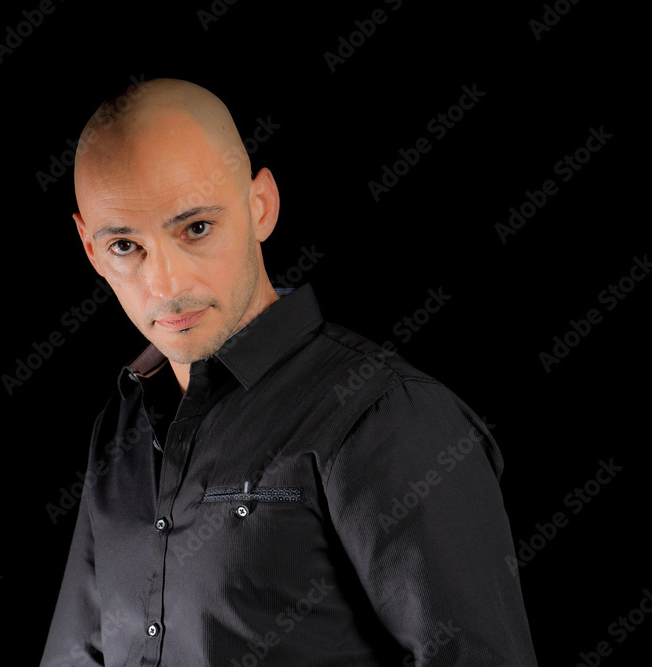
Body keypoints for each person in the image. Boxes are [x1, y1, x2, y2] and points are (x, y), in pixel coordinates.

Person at [40, 78, 537, 666]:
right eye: (126, 246)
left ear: (261, 207)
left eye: (196, 228)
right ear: (91, 249)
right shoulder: (121, 424)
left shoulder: (384, 415)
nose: (166, 285)